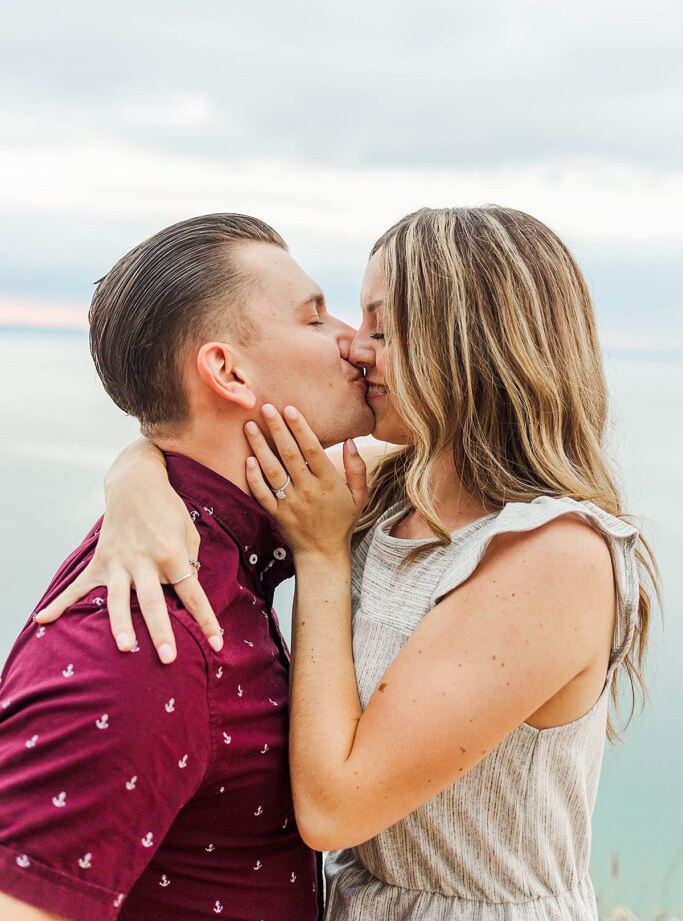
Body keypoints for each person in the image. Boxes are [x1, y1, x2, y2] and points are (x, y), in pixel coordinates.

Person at [36, 206, 659, 921]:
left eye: (383, 330)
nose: (357, 350)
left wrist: (324, 558)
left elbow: (336, 809)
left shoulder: (554, 555)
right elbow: (203, 442)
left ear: (468, 343)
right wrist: (135, 479)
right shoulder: (387, 491)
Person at [0, 212, 374, 921]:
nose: (354, 342)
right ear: (227, 370)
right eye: (316, 318)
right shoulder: (144, 641)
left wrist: (137, 465)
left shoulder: (239, 538)